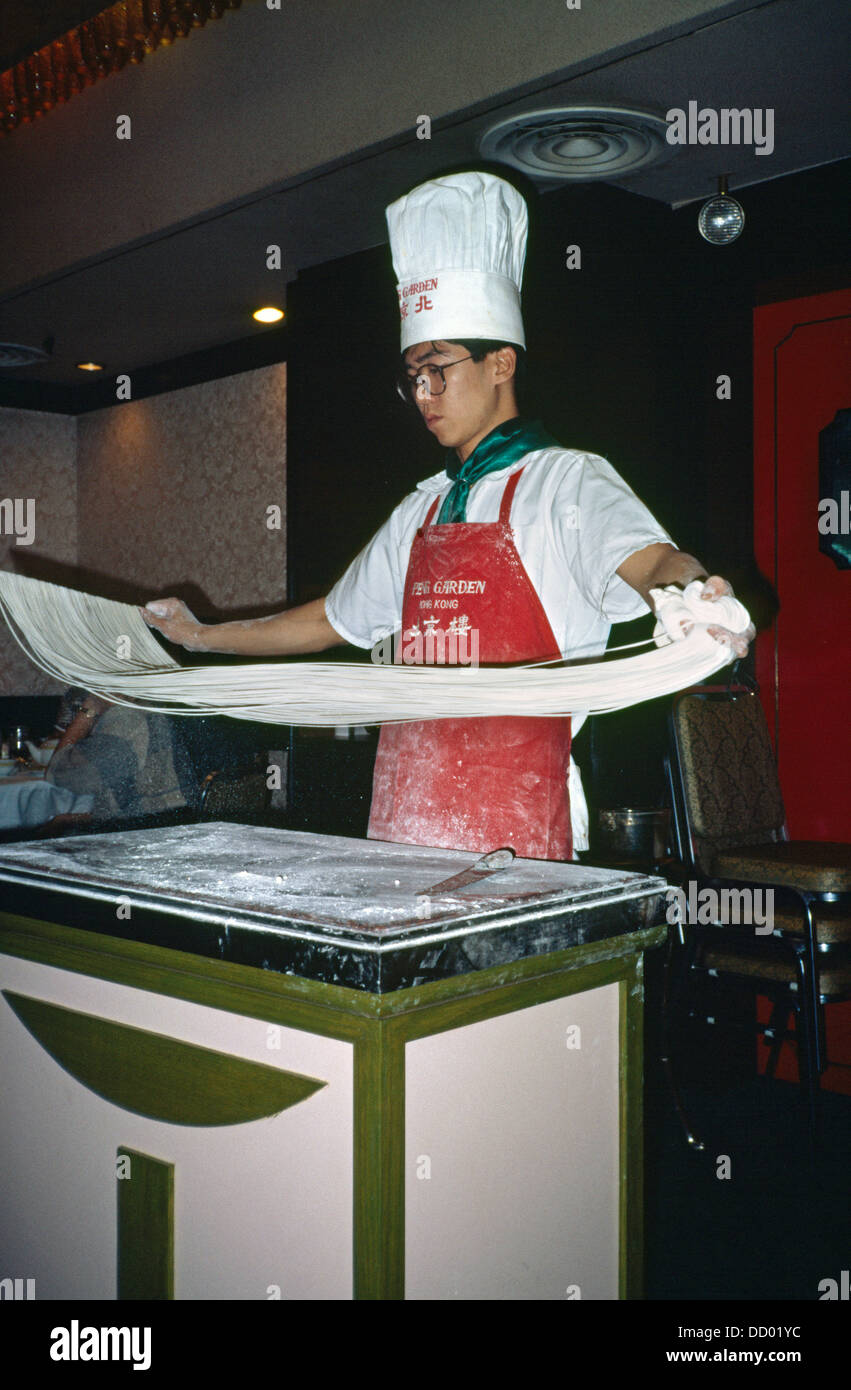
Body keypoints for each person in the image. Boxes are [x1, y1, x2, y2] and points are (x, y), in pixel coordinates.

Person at [142, 172, 753, 861]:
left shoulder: (565, 481)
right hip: (405, 806)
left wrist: (690, 598)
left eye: (438, 368)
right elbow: (326, 621)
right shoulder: (423, 505)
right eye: (413, 377)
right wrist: (202, 636)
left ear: (499, 363)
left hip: (512, 821)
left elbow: (652, 563)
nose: (424, 393)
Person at [44, 687, 191, 828]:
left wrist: (89, 709)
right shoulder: (147, 710)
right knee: (60, 822)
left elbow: (59, 774)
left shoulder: (125, 719)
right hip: (157, 817)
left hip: (144, 826)